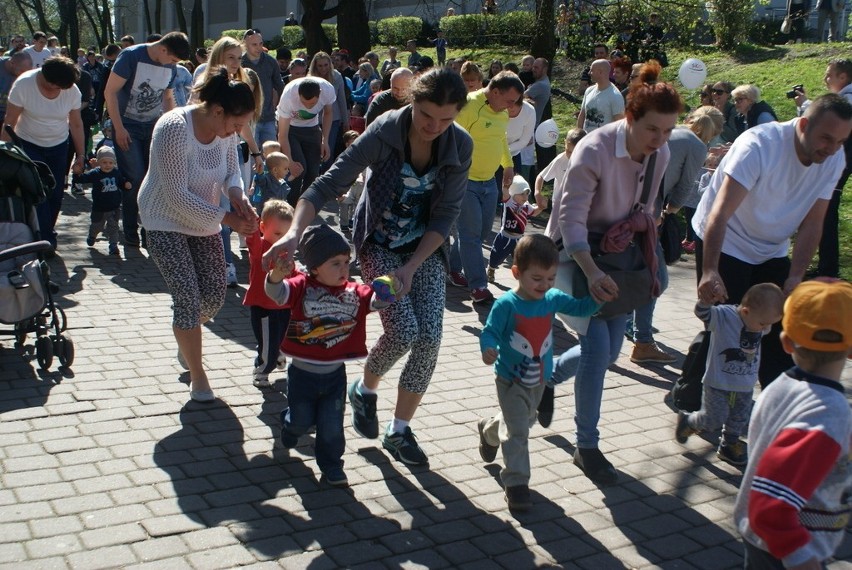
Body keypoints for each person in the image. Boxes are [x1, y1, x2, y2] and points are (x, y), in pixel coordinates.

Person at [262, 68, 472, 466]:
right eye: (428, 115)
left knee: (429, 338)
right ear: (412, 102)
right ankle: (366, 387)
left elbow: (445, 215)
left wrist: (412, 266)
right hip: (377, 241)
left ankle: (399, 430)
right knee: (404, 329)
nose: (435, 126)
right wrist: (292, 235)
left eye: (447, 119)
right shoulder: (384, 131)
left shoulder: (459, 145)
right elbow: (326, 185)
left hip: (423, 248)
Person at [542, 80, 682, 485]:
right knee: (597, 348)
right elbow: (570, 222)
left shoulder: (661, 153)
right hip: (575, 256)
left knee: (608, 352)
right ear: (630, 118)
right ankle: (587, 446)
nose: (660, 139)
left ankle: (546, 381)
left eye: (669, 130)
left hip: (618, 258)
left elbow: (646, 209)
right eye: (653, 129)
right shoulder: (594, 148)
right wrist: (592, 271)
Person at [693, 94, 852, 388]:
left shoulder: (833, 159)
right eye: (826, 139)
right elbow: (720, 213)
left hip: (771, 248)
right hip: (728, 240)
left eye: (841, 141)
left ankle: (774, 412)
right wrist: (710, 270)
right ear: (803, 125)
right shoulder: (760, 146)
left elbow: (813, 223)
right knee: (731, 330)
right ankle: (692, 394)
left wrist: (795, 276)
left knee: (779, 333)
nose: (832, 149)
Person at [137, 67, 258, 403]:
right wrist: (229, 220)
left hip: (204, 218)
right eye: (236, 124)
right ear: (217, 111)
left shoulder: (225, 131)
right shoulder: (174, 127)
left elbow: (232, 172)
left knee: (214, 297)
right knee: (188, 300)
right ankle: (197, 373)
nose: (237, 131)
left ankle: (184, 332)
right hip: (164, 218)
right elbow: (176, 196)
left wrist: (238, 196)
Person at [477, 234, 601, 511]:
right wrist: (488, 348)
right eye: (537, 279)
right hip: (509, 379)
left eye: (551, 278)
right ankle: (517, 484)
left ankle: (488, 431)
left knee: (520, 422)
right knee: (519, 431)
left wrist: (598, 297)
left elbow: (582, 308)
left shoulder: (552, 298)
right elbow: (491, 332)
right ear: (517, 273)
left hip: (540, 378)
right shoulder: (507, 304)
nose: (544, 285)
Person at [266, 225, 396, 487]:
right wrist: (275, 277)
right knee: (302, 421)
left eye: (347, 262)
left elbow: (373, 300)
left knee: (331, 427)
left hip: (335, 378)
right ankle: (291, 423)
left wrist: (386, 290)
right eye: (335, 264)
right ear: (314, 267)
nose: (344, 269)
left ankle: (332, 467)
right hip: (302, 376)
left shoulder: (353, 291)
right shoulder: (301, 286)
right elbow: (277, 294)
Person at [735, 280, 852, 569]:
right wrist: (802, 560)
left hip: (764, 540)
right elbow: (770, 508)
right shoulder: (828, 413)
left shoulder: (780, 387)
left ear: (786, 342)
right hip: (791, 549)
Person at [675, 283, 784, 465]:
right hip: (719, 382)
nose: (764, 329)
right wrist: (705, 301)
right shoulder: (725, 316)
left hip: (745, 382)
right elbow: (703, 313)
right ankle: (689, 421)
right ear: (746, 311)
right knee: (713, 419)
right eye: (763, 324)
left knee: (740, 417)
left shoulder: (758, 321)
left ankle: (728, 445)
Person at [103, 31, 191, 248]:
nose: (173, 65)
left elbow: (167, 97)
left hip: (152, 125)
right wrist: (119, 127)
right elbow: (110, 92)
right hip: (127, 126)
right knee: (135, 177)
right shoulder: (130, 56)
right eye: (172, 60)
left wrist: (175, 126)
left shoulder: (170, 65)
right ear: (163, 49)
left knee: (152, 179)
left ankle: (149, 230)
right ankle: (130, 230)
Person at [1, 56, 85, 251]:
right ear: (45, 78)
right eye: (55, 87)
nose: (58, 91)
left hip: (58, 145)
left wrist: (81, 155)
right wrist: (3, 152)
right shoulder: (24, 85)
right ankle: (43, 239)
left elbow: (76, 123)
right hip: (28, 143)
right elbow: (10, 121)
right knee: (37, 191)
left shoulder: (71, 90)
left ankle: (46, 230)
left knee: (55, 193)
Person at [454, 70, 524, 304]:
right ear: (494, 92)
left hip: (490, 182)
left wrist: (508, 164)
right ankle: (479, 287)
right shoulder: (469, 106)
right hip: (465, 181)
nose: (511, 107)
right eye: (509, 101)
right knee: (471, 235)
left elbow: (500, 138)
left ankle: (452, 268)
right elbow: (449, 137)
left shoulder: (501, 111)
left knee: (481, 233)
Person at [792, 59, 852, 279]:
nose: (825, 80)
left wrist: (806, 105)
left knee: (825, 214)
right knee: (824, 214)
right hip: (838, 165)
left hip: (838, 166)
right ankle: (827, 266)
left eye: (829, 75)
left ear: (843, 77)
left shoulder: (845, 102)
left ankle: (828, 268)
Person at [244, 199, 294, 388]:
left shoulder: (285, 249)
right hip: (263, 307)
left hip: (284, 305)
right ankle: (262, 369)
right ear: (263, 228)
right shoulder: (260, 247)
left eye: (287, 235)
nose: (282, 239)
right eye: (278, 233)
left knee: (281, 338)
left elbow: (292, 273)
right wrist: (251, 219)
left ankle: (276, 353)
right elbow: (252, 238)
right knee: (267, 345)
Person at [276, 76, 336, 207]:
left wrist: (325, 140)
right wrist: (290, 161)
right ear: (299, 94)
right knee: (298, 169)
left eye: (312, 104)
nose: (308, 107)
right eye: (304, 103)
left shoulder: (327, 89)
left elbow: (328, 113)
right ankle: (290, 206)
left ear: (320, 93)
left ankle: (305, 205)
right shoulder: (289, 95)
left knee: (313, 172)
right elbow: (283, 134)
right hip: (291, 130)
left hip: (312, 129)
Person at [72, 145, 131, 255]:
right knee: (97, 226)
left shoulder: (116, 172)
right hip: (99, 208)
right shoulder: (95, 173)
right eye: (104, 162)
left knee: (113, 227)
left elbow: (121, 182)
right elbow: (82, 179)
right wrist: (76, 173)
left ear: (114, 163)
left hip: (114, 207)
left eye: (110, 163)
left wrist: (126, 184)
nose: (108, 165)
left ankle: (113, 246)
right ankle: (92, 235)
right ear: (99, 162)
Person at [241, 28, 284, 146]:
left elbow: (280, 86)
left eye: (261, 43)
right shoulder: (239, 62)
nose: (258, 47)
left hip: (268, 117)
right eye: (254, 44)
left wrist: (280, 109)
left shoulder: (271, 61)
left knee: (272, 156)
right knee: (251, 158)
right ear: (245, 44)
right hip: (247, 119)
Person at [307, 52, 347, 166]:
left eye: (325, 65)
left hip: (333, 118)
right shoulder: (310, 79)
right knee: (315, 149)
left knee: (328, 147)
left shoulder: (337, 76)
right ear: (315, 66)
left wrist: (346, 120)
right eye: (320, 66)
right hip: (314, 119)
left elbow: (342, 100)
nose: (323, 68)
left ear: (330, 64)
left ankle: (327, 175)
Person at [534, 128, 586, 209]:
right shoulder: (560, 160)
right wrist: (537, 193)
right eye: (568, 151)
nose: (571, 156)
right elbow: (541, 177)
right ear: (565, 142)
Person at [578, 59, 625, 133]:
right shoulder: (589, 91)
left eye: (591, 70)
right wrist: (578, 137)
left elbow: (619, 124)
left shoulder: (615, 96)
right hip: (587, 141)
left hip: (604, 143)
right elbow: (582, 115)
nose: (589, 73)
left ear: (600, 72)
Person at [336, 130, 362, 232]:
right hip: (346, 186)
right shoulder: (343, 157)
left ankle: (352, 220)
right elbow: (337, 171)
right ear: (347, 144)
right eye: (353, 142)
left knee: (357, 205)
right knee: (344, 204)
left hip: (359, 185)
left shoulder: (363, 156)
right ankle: (344, 223)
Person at [0, 52, 33, 123]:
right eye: (22, 71)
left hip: (12, 113)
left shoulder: (27, 75)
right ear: (12, 63)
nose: (24, 75)